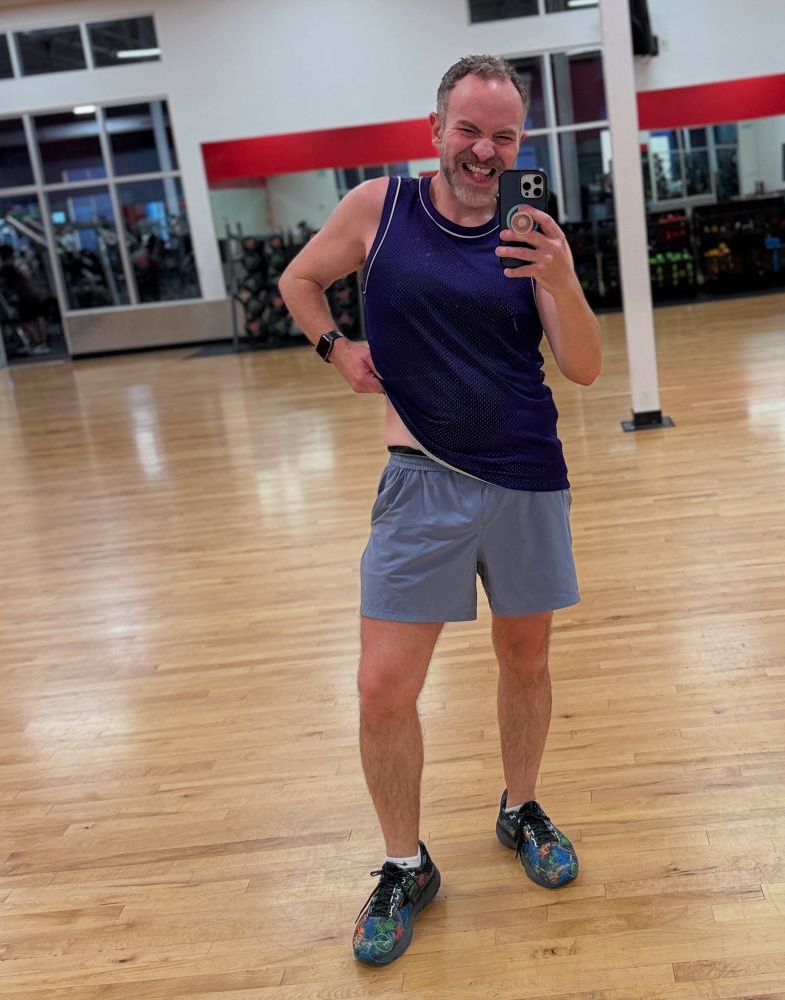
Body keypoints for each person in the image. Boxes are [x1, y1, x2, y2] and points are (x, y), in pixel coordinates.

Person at [279, 54, 602, 967]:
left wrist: (563, 275)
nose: (484, 150)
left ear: (520, 143)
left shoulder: (529, 230)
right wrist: (336, 348)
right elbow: (300, 282)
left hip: (528, 475)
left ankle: (520, 807)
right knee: (383, 689)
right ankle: (402, 863)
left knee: (525, 657)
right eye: (469, 129)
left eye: (504, 135)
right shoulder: (378, 210)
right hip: (419, 479)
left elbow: (583, 367)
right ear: (436, 129)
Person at [0, 245, 51, 355]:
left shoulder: (7, 266)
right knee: (39, 317)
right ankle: (44, 342)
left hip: (24, 295)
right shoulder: (19, 262)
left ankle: (38, 342)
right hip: (35, 292)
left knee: (23, 321)